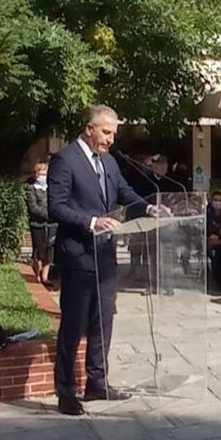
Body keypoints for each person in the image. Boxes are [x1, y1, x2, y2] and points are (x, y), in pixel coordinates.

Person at [47, 105, 154, 416]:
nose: (110, 139)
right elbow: (57, 207)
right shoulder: (65, 160)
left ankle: (98, 382)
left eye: (113, 134)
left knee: (102, 323)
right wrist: (92, 221)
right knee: (73, 326)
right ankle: (66, 392)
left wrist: (149, 208)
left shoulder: (108, 162)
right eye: (106, 132)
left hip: (105, 256)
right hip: (78, 256)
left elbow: (124, 192)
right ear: (88, 128)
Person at [26, 161, 56, 287]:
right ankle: (37, 275)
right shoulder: (31, 189)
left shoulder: (51, 189)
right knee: (39, 251)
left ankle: (45, 277)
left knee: (49, 251)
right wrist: (47, 214)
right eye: (41, 173)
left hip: (51, 225)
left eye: (46, 173)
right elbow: (33, 207)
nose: (44, 176)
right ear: (36, 174)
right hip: (37, 224)